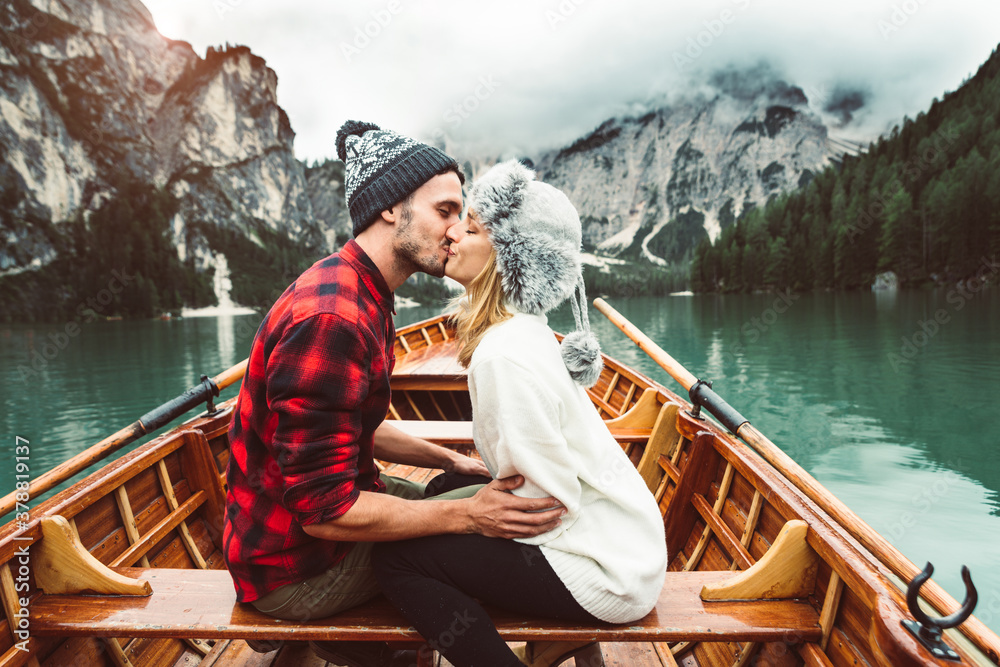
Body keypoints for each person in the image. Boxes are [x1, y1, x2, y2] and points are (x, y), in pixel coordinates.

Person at [223, 124, 567, 667]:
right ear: (389, 207)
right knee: (487, 538)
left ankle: (393, 648)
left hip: (307, 536)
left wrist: (451, 459)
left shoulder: (362, 291)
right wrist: (470, 518)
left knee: (460, 486)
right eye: (446, 210)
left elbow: (361, 426)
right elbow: (323, 512)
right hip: (297, 565)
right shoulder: (333, 319)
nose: (457, 231)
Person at [373, 160, 668, 667]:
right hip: (625, 548)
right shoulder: (522, 329)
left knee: (396, 558)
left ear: (509, 257)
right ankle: (542, 633)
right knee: (441, 496)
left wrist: (459, 524)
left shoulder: (502, 354)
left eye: (474, 227)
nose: (453, 233)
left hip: (608, 573)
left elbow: (541, 503)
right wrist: (456, 513)